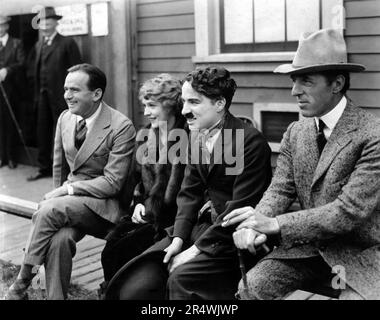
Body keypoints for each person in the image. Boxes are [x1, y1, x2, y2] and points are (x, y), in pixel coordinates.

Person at [223, 29, 380, 300]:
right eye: (294, 81)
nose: (295, 91)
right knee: (252, 286)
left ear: (337, 83)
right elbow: (280, 190)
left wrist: (275, 225)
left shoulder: (372, 135)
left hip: (357, 256)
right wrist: (253, 225)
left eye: (306, 81)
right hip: (306, 250)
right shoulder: (296, 131)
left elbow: (347, 213)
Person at [105, 66, 272, 300]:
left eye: (194, 102)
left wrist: (194, 250)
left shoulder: (249, 143)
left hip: (231, 239)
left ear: (219, 103)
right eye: (183, 102)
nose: (185, 110)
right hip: (195, 229)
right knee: (136, 284)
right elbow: (189, 195)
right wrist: (177, 240)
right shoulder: (197, 136)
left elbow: (238, 210)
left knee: (179, 280)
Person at [5, 63, 136, 300]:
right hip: (70, 204)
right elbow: (59, 167)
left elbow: (112, 183)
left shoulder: (121, 126)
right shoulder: (65, 118)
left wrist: (67, 190)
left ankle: (22, 281)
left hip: (105, 207)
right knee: (59, 239)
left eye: (75, 90)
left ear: (96, 94)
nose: (67, 95)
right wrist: (61, 190)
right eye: (66, 89)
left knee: (49, 208)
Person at [99, 74, 187, 291]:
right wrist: (138, 203)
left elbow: (191, 195)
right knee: (113, 247)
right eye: (144, 105)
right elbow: (138, 181)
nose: (146, 112)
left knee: (130, 254)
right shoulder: (147, 136)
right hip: (149, 216)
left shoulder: (190, 137)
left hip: (175, 224)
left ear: (170, 105)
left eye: (152, 106)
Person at [28, 7, 82, 181]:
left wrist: (74, 94)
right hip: (42, 96)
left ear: (55, 23)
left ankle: (68, 170)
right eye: (41, 22)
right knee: (42, 130)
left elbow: (78, 72)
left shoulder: (67, 43)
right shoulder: (39, 45)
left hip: (63, 96)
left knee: (65, 132)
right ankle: (44, 167)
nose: (44, 25)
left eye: (48, 21)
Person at [0, 15, 25, 169]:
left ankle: (11, 157)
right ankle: (0, 157)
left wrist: (7, 70)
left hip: (12, 90)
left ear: (7, 27)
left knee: (10, 123)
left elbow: (22, 63)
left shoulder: (16, 43)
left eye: (2, 26)